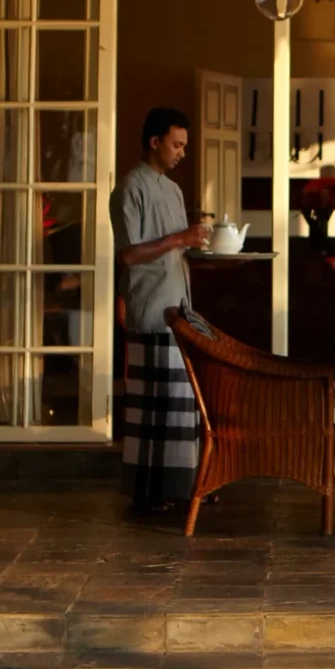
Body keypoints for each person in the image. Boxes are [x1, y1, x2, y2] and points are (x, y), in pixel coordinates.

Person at [110, 106, 211, 513]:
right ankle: (149, 492)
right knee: (152, 407)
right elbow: (130, 254)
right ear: (154, 142)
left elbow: (176, 245)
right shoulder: (129, 189)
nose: (182, 153)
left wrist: (192, 243)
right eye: (176, 145)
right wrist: (179, 238)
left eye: (184, 146)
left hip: (178, 306)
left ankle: (183, 484)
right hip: (150, 307)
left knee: (179, 403)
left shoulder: (172, 190)